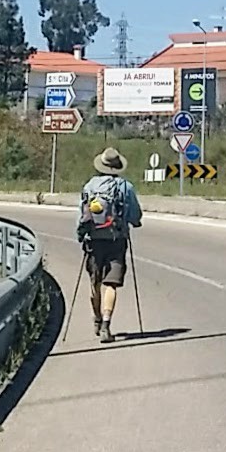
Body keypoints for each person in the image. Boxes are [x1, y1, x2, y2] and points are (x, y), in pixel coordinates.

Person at [77, 146, 142, 343]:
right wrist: (134, 222)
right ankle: (106, 324)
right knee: (111, 284)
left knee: (94, 283)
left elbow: (82, 214)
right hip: (116, 240)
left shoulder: (89, 186)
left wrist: (81, 235)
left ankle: (97, 318)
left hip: (94, 242)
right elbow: (135, 215)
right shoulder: (125, 187)